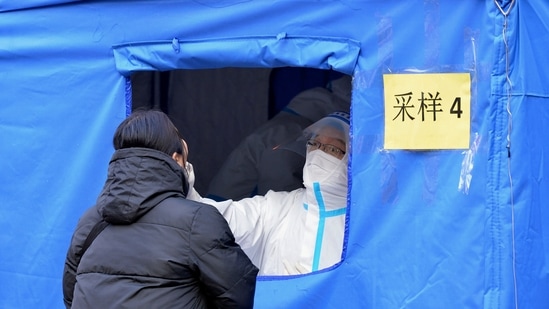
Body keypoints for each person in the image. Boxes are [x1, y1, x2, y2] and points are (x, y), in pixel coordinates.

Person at [62, 110, 258, 308]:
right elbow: (237, 295)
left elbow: (72, 294)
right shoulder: (198, 220)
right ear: (177, 159)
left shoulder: (89, 221)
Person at [188, 111, 350, 276]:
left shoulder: (363, 224)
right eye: (314, 143)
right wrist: (182, 180)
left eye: (333, 149)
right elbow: (222, 219)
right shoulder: (278, 208)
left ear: (352, 160)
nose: (319, 153)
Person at [206, 75, 351, 201]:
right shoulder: (286, 138)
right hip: (234, 221)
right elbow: (282, 200)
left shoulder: (283, 128)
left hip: (223, 213)